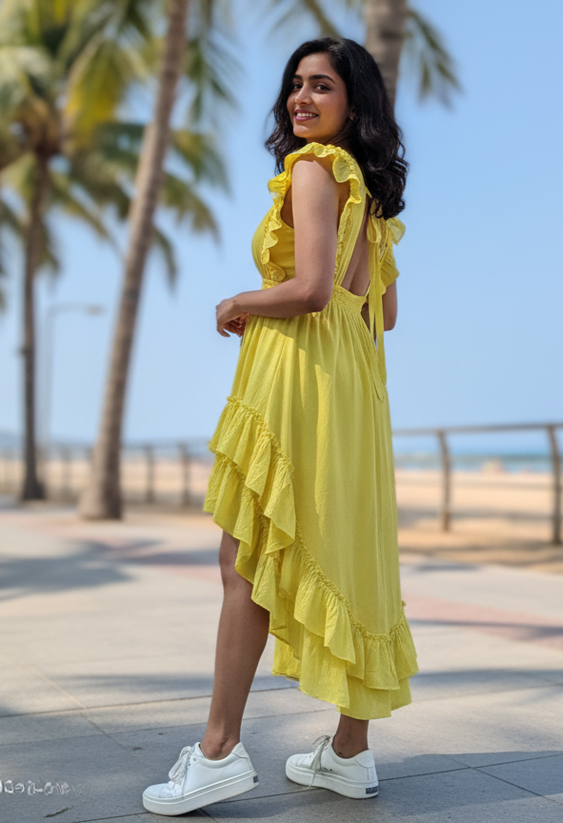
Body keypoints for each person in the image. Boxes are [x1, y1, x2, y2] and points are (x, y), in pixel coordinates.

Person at [142, 36, 418, 817]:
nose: (301, 98)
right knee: (353, 552)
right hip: (354, 395)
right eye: (296, 84)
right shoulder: (369, 192)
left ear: (353, 104)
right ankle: (348, 754)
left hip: (297, 381)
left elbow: (309, 289)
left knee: (246, 561)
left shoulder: (310, 169)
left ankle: (220, 751)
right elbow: (383, 312)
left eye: (321, 86)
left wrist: (236, 302)